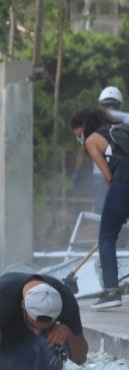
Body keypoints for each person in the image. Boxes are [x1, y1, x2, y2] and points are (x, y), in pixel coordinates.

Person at [70, 107, 128, 309]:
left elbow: (108, 176)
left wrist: (117, 202)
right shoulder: (120, 129)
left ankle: (111, 292)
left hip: (122, 183)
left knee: (106, 237)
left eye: (77, 134)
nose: (79, 138)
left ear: (83, 128)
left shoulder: (92, 140)